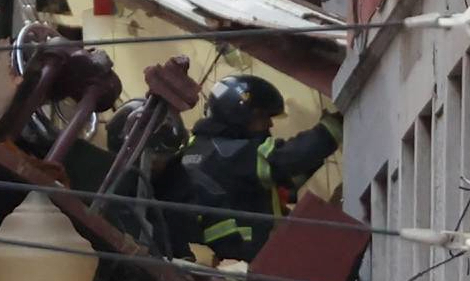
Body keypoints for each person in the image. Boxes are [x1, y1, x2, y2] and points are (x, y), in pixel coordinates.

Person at [180, 74, 342, 262]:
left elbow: (279, 183)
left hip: (222, 261)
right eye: (263, 116)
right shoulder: (234, 153)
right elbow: (290, 158)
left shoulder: (196, 147)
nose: (270, 124)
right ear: (240, 116)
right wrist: (334, 125)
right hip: (248, 259)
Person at [102, 98, 198, 259]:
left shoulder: (178, 185)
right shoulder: (102, 180)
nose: (153, 164)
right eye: (149, 158)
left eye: (162, 158)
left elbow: (178, 244)